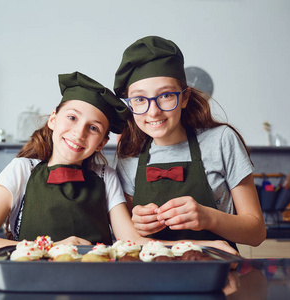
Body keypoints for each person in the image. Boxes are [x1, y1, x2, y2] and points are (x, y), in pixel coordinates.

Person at [0, 71, 237, 260]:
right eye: (71, 118)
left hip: (97, 284)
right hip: (31, 283)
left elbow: (133, 241)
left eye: (93, 128)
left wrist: (206, 245)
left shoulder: (106, 176)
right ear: (53, 119)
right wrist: (51, 248)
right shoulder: (22, 170)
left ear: (102, 142)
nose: (79, 133)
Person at [113, 36, 266, 249]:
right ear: (130, 105)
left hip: (217, 278)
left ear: (184, 97)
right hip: (149, 278)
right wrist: (138, 224)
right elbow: (131, 239)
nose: (153, 111)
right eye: (139, 99)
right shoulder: (129, 155)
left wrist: (208, 217)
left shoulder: (221, 140)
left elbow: (256, 232)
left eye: (165, 95)